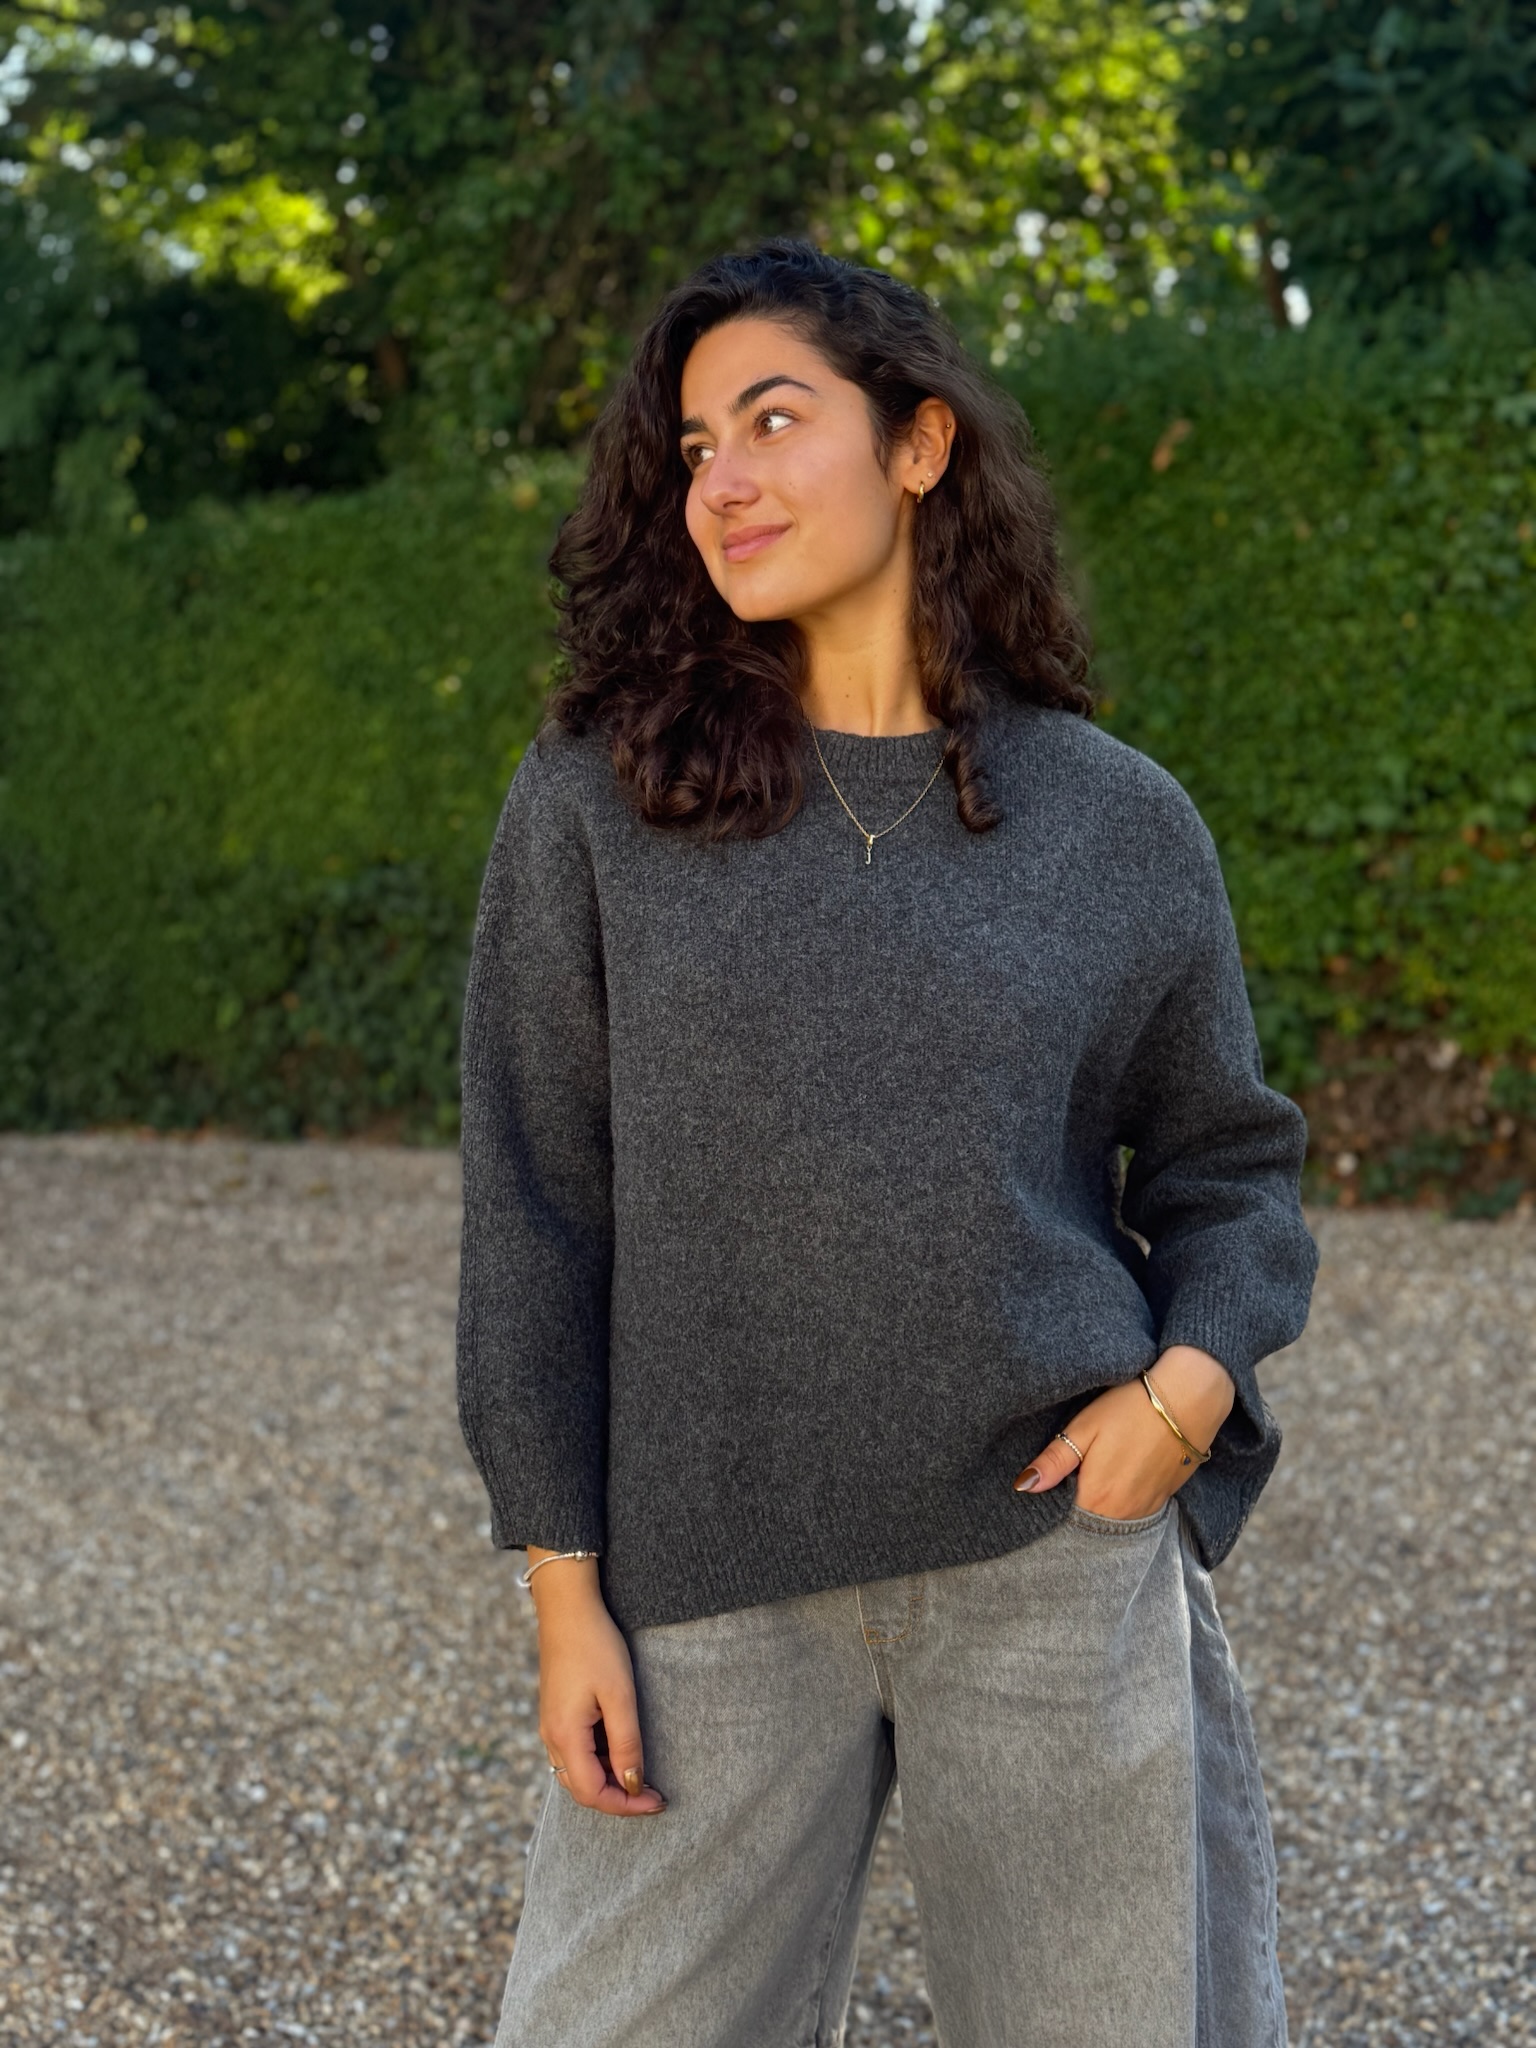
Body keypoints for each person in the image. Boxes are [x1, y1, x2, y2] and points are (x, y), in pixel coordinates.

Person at [455, 237, 1319, 2048]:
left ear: (921, 444)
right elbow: (537, 1210)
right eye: (696, 448)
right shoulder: (599, 801)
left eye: (774, 420)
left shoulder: (1116, 822)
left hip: (1048, 1564)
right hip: (704, 1584)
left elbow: (1231, 1169)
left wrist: (1178, 1405)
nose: (725, 480)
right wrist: (563, 1590)